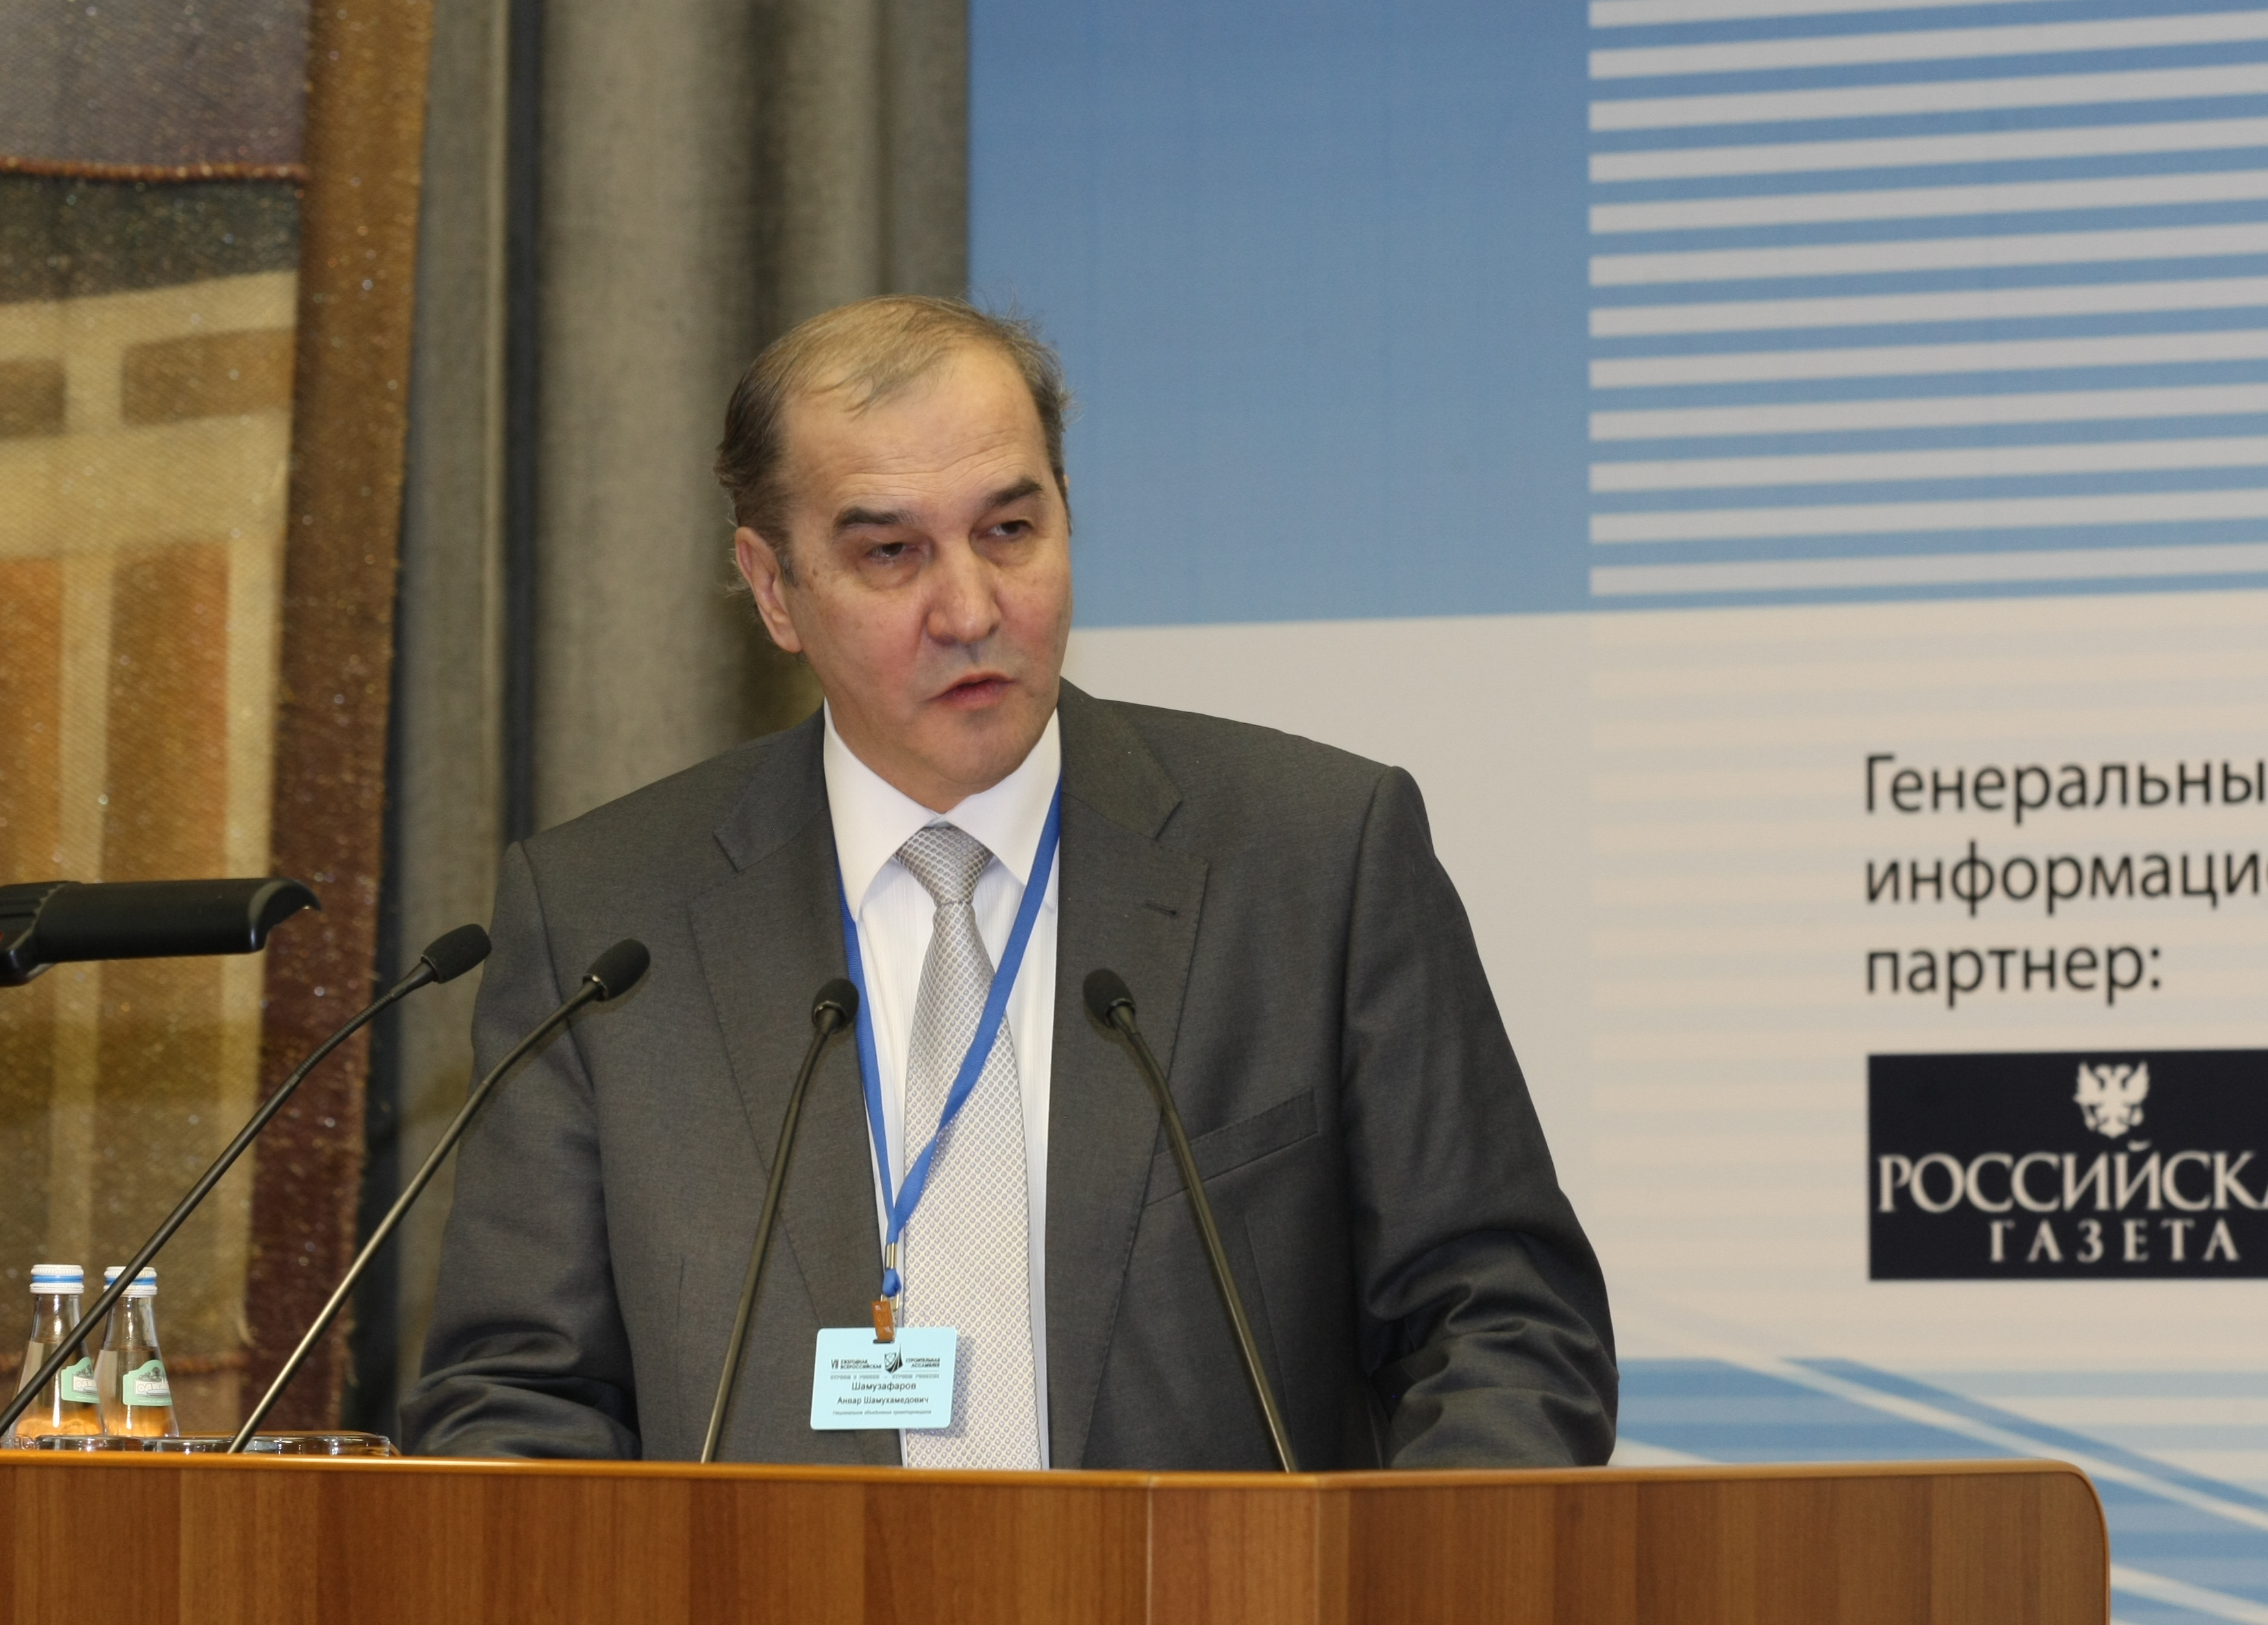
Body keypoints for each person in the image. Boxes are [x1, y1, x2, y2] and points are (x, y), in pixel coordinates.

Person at [402, 296, 1615, 1468]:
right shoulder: (610, 924)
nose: (971, 609)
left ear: (1067, 517)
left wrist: (1387, 1580)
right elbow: (520, 1397)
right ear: (775, 590)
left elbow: (1503, 1328)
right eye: (891, 553)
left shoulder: (1314, 859)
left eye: (1009, 532)